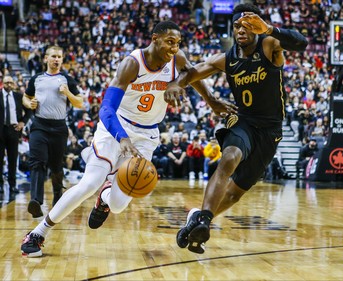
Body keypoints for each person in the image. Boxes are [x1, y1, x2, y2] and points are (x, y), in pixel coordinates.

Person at [20, 21, 236, 257]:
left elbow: (192, 75)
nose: (174, 48)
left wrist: (211, 100)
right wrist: (121, 138)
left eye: (178, 43)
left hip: (147, 135)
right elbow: (106, 109)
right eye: (169, 42)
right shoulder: (132, 64)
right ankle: (39, 233)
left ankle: (104, 198)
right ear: (154, 39)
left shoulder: (177, 58)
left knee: (119, 205)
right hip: (116, 127)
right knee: (89, 183)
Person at [165, 3, 308, 253]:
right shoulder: (226, 58)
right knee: (229, 157)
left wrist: (270, 29)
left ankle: (197, 217)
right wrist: (176, 83)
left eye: (246, 25)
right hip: (243, 120)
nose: (241, 30)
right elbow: (192, 73)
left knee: (234, 194)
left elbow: (301, 43)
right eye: (236, 26)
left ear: (257, 27)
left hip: (271, 130)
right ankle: (204, 221)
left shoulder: (270, 45)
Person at [22, 45, 83, 218]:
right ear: (46, 59)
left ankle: (58, 195)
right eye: (53, 56)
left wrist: (68, 93)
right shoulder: (36, 79)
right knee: (37, 162)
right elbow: (27, 97)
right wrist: (29, 104)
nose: (57, 59)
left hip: (59, 127)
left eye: (59, 57)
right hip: (39, 125)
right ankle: (35, 201)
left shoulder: (67, 79)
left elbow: (79, 102)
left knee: (56, 166)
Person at [0, 76, 32, 194]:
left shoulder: (19, 97)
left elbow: (29, 110)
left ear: (13, 84)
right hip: (1, 130)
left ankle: (12, 185)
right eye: (7, 82)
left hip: (13, 130)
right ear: (3, 83)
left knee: (13, 159)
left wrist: (23, 122)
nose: (9, 84)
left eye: (11, 82)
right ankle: (0, 185)